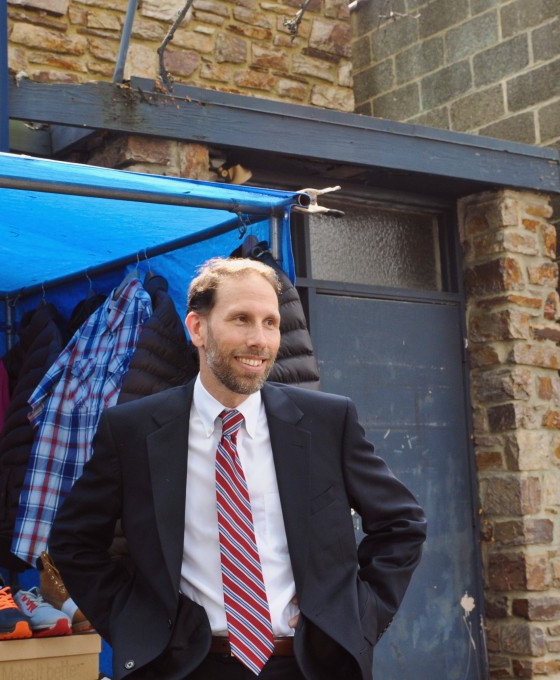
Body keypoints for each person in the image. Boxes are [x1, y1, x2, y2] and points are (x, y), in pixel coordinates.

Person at [48, 257, 427, 680]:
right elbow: (73, 541)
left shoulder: (326, 421)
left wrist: (359, 618)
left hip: (310, 664)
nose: (260, 340)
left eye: (270, 322)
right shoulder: (134, 429)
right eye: (241, 320)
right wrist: (133, 622)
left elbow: (401, 523)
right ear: (197, 329)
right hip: (187, 665)